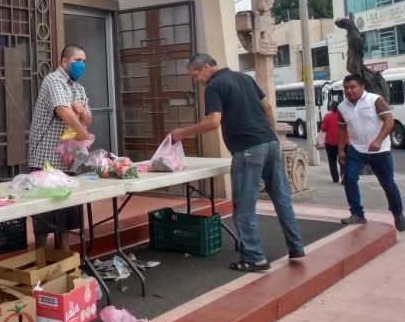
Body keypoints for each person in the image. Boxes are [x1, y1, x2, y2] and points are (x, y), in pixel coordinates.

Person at [170, 53, 305, 272]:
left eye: (196, 75)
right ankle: (296, 246)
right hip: (270, 143)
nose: (197, 80)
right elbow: (268, 107)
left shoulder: (214, 85)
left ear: (206, 67)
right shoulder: (244, 78)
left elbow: (213, 121)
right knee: (281, 198)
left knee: (243, 206)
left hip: (247, 149)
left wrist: (182, 133)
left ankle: (254, 257)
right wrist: (270, 133)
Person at [28, 44, 92, 250]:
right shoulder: (53, 80)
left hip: (68, 160)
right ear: (65, 62)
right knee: (44, 219)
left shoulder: (79, 88)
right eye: (78, 61)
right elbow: (63, 110)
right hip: (45, 159)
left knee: (66, 219)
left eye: (84, 61)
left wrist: (82, 112)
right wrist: (82, 133)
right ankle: (40, 260)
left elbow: (88, 119)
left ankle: (65, 262)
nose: (82, 65)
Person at [337, 74, 405, 231]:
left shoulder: (374, 100)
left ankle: (398, 214)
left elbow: (389, 121)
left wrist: (378, 141)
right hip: (356, 149)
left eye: (353, 87)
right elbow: (342, 129)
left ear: (362, 87)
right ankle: (357, 214)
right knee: (349, 179)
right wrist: (341, 150)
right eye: (346, 88)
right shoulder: (342, 106)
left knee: (388, 184)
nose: (349, 90)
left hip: (380, 150)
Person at [320, 101, 345, 184]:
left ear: (331, 108)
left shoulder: (327, 116)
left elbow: (323, 129)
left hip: (330, 142)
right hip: (344, 142)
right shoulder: (344, 116)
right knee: (343, 160)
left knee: (332, 161)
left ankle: (335, 178)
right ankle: (344, 177)